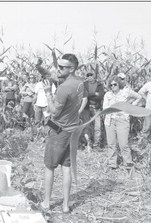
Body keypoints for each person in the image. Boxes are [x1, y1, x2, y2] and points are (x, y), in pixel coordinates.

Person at [40, 53, 85, 213]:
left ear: (71, 68)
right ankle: (66, 205)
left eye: (61, 67)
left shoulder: (64, 88)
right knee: (66, 166)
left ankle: (46, 202)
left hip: (59, 130)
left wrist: (47, 92)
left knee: (49, 166)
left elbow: (54, 112)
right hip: (73, 130)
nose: (57, 70)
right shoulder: (79, 83)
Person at [103, 75, 142, 169]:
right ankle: (112, 164)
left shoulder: (126, 92)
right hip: (110, 121)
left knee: (123, 144)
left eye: (115, 84)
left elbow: (139, 97)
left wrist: (132, 105)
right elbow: (105, 108)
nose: (113, 86)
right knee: (111, 144)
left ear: (119, 84)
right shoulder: (108, 95)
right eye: (111, 85)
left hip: (122, 121)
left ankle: (128, 164)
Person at [79, 71, 105, 150]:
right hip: (86, 108)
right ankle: (87, 143)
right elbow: (84, 95)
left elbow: (100, 96)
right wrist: (94, 93)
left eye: (91, 75)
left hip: (96, 108)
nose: (89, 76)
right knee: (86, 126)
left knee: (97, 127)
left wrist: (89, 94)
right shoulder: (84, 84)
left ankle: (96, 144)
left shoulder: (99, 85)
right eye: (88, 75)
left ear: (94, 76)